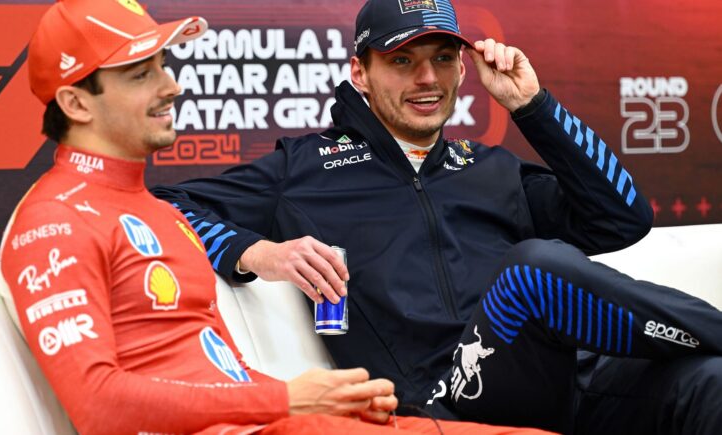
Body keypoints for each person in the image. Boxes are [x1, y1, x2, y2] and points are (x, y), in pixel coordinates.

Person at [151, 0, 722, 433]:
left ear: (461, 69)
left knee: (709, 383)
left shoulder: (490, 166)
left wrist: (532, 107)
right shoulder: (302, 168)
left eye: (442, 59)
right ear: (360, 73)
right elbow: (163, 208)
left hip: (568, 384)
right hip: (447, 399)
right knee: (531, 272)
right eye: (402, 61)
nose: (427, 79)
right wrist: (258, 253)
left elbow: (623, 218)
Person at [0, 1, 561, 434]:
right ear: (76, 103)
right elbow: (98, 406)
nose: (172, 86)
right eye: (140, 74)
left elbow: (208, 368)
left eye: (163, 66)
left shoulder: (150, 209)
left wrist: (322, 400)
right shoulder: (53, 221)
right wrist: (288, 397)